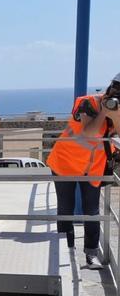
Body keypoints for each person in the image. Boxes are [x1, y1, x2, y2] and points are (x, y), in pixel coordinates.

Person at [47, 72, 120, 268]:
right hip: (65, 163)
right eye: (116, 87)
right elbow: (89, 131)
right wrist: (105, 112)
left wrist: (116, 115)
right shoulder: (88, 102)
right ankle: (66, 249)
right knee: (66, 209)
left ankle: (91, 254)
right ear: (110, 86)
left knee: (92, 212)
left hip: (92, 168)